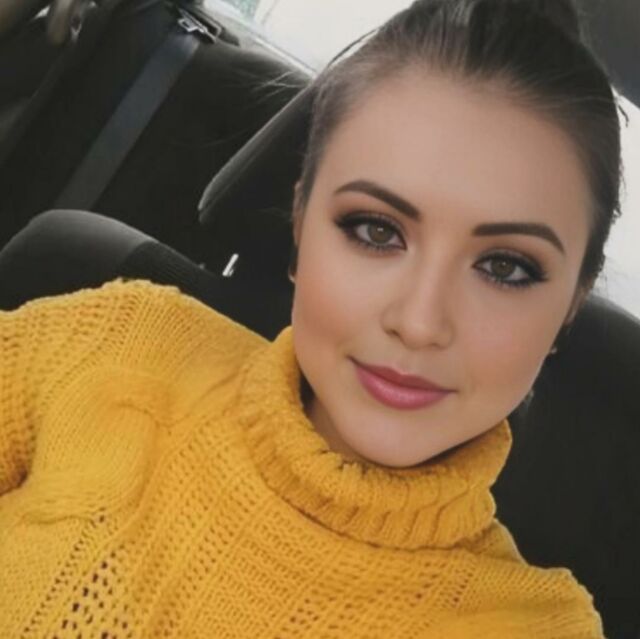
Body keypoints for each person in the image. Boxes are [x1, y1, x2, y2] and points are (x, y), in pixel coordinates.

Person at [0, 0, 622, 636]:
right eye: (375, 230)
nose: (419, 322)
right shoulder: (119, 335)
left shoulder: (534, 625)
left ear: (571, 304)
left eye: (506, 268)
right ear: (300, 224)